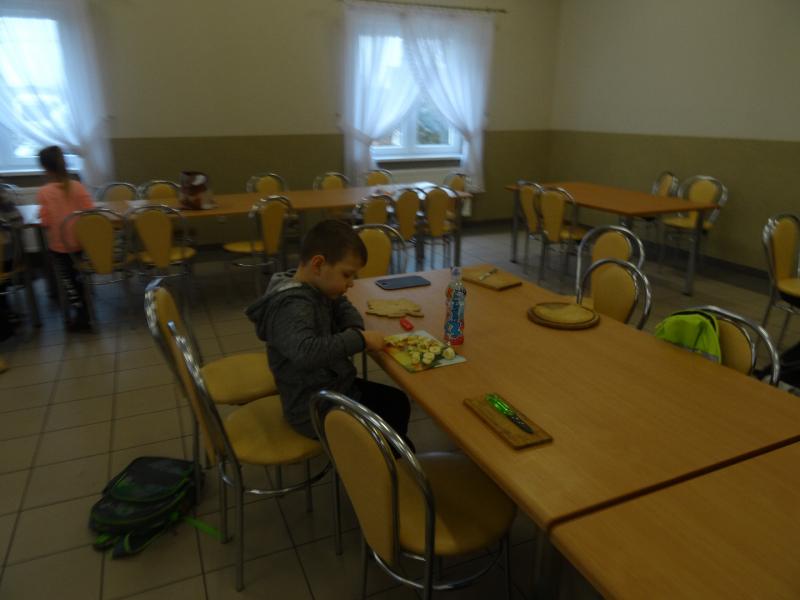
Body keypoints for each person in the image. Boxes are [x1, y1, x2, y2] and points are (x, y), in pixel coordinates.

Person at [246, 220, 412, 444]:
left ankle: (375, 453)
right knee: (399, 437)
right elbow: (306, 352)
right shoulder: (291, 305)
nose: (351, 283)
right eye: (347, 275)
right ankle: (364, 460)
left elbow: (342, 305)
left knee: (397, 402)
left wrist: (354, 328)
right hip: (312, 408)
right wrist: (359, 339)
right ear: (318, 264)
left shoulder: (317, 286)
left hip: (334, 389)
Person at [37, 146, 94, 330]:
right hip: (81, 242)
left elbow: (45, 221)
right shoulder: (78, 186)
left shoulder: (44, 192)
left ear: (45, 168)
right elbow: (90, 212)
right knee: (79, 275)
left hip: (60, 246)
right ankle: (86, 307)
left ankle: (81, 315)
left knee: (68, 280)